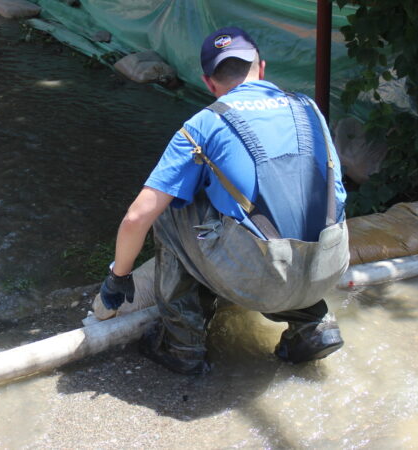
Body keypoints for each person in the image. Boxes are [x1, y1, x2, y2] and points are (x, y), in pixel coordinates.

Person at [99, 26, 350, 374]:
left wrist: (118, 276)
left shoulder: (204, 124)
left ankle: (182, 343)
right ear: (262, 68)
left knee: (171, 207)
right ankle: (314, 325)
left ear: (208, 83)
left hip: (264, 280)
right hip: (330, 264)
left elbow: (136, 217)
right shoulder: (309, 108)